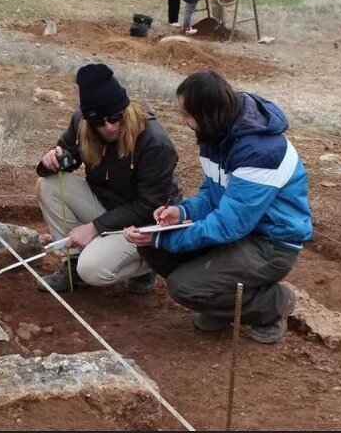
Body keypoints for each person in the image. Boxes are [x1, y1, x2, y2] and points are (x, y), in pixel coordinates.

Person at [124, 70, 312, 344]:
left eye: (187, 115)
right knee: (154, 249)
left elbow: (229, 224)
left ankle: (272, 305)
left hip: (271, 243)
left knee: (183, 286)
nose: (184, 121)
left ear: (207, 114)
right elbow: (214, 195)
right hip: (242, 233)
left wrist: (166, 236)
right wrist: (182, 212)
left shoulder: (260, 151)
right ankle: (219, 302)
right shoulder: (218, 135)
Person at [35, 63, 181, 293]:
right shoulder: (82, 124)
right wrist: (51, 161)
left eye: (115, 118)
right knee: (48, 185)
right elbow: (67, 153)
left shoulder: (154, 142)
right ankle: (72, 266)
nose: (109, 127)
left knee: (92, 269)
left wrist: (94, 227)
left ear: (124, 109)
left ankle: (147, 264)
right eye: (99, 122)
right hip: (106, 206)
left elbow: (149, 205)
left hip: (145, 224)